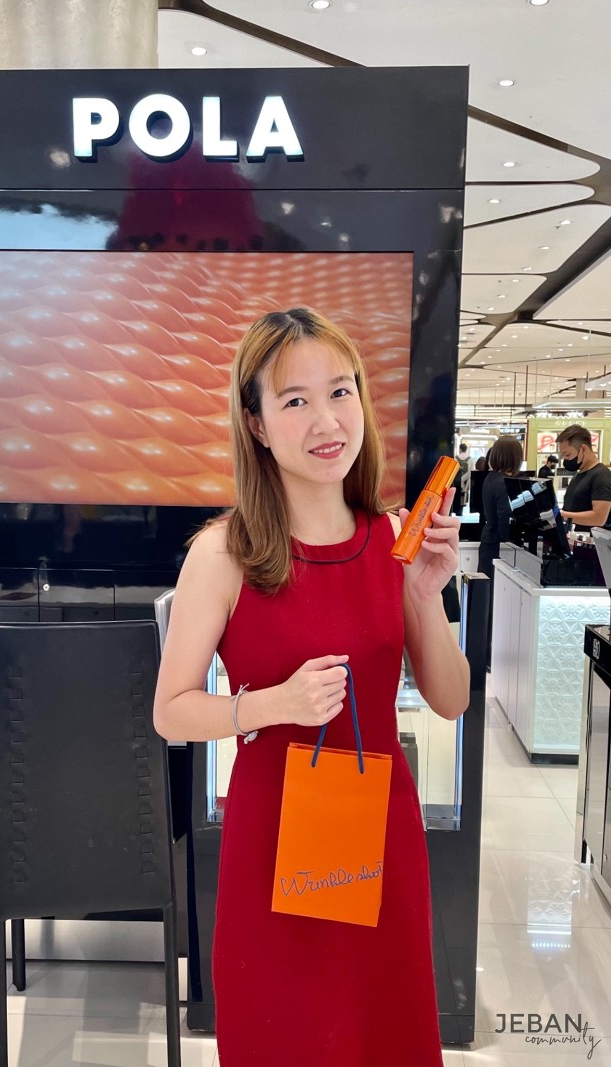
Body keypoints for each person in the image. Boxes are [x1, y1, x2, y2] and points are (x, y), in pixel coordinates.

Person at [153, 307, 469, 1066]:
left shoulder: (395, 541)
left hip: (379, 837)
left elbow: (452, 699)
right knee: (285, 1036)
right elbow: (170, 711)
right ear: (256, 424)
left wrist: (426, 595)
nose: (327, 421)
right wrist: (272, 705)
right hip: (271, 845)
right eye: (295, 400)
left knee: (383, 1037)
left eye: (340, 391)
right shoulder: (223, 553)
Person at [478, 436, 522, 589]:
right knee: (497, 592)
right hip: (498, 545)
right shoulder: (504, 483)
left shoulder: (491, 477)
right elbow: (504, 516)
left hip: (488, 540)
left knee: (485, 591)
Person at [556, 425, 611, 531]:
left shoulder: (601, 476)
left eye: (568, 455)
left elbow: (599, 518)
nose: (565, 459)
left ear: (583, 449)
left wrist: (561, 515)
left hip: (588, 540)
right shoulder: (579, 474)